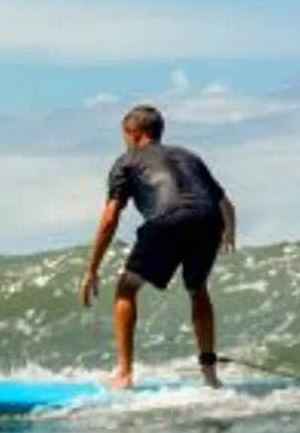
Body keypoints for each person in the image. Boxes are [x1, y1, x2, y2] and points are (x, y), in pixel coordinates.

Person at [80, 104, 236, 389]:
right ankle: (210, 376)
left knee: (126, 288)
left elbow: (110, 217)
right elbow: (225, 204)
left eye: (125, 135)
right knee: (198, 289)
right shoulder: (189, 156)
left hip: (169, 219)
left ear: (136, 133)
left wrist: (92, 269)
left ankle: (124, 375)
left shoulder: (127, 161)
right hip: (209, 219)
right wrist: (228, 233)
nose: (125, 141)